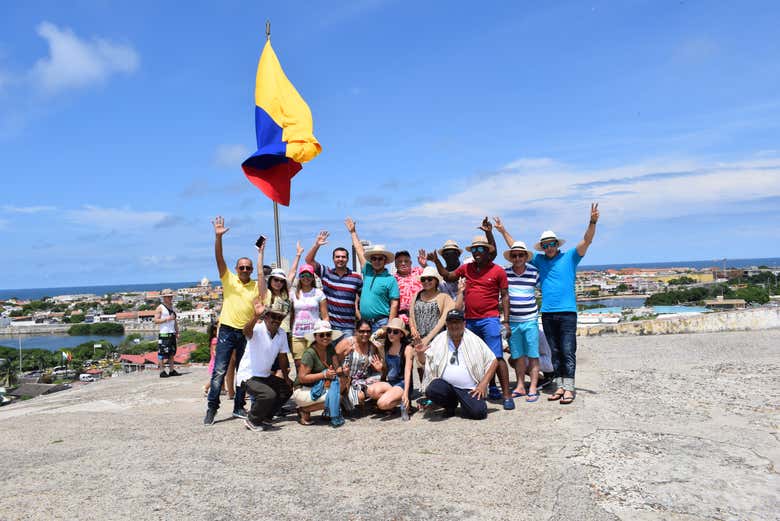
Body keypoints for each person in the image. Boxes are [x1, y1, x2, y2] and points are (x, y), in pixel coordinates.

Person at [495, 204, 600, 404]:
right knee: (556, 352)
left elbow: (587, 240)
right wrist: (503, 231)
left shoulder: (570, 256)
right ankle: (560, 386)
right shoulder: (540, 261)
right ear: (542, 247)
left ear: (557, 244)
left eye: (551, 243)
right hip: (548, 313)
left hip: (568, 312)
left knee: (568, 350)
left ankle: (569, 388)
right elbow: (518, 250)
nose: (549, 247)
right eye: (545, 245)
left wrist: (593, 221)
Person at [428, 233, 514, 410]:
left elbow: (505, 296)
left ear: (488, 251)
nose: (476, 252)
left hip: (490, 319)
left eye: (480, 249)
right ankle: (482, 388)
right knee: (472, 357)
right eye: (474, 249)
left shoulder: (498, 270)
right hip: (470, 320)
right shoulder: (467, 268)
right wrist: (436, 261)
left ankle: (506, 395)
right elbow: (448, 276)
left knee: (496, 357)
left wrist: (506, 321)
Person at [204, 216, 258, 426]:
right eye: (242, 267)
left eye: (248, 268)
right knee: (219, 370)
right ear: (237, 269)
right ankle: (212, 408)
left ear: (251, 270)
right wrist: (218, 238)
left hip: (246, 332)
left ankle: (238, 407)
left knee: (242, 372)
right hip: (227, 330)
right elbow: (219, 258)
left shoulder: (255, 286)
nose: (245, 270)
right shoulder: (229, 279)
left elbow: (261, 306)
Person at [421, 309, 498, 420]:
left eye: (457, 322)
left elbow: (493, 361)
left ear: (464, 323)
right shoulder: (439, 339)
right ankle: (450, 405)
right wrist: (419, 353)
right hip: (447, 387)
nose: (454, 325)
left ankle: (465, 403)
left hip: (469, 388)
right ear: (446, 324)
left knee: (479, 413)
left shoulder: (474, 340)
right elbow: (426, 361)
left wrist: (483, 384)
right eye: (451, 322)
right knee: (432, 389)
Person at [237, 299, 294, 432]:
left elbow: (283, 357)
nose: (276, 319)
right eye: (273, 316)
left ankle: (266, 417)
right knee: (268, 395)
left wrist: (286, 378)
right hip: (249, 376)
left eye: (279, 317)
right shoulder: (257, 328)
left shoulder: (281, 334)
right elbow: (246, 331)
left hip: (265, 376)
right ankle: (252, 419)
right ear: (266, 316)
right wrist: (256, 316)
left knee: (286, 389)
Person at [501, 241, 541, 402]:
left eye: (520, 255)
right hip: (513, 321)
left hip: (530, 319)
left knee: (533, 355)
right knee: (518, 356)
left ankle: (532, 387)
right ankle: (520, 386)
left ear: (526, 257)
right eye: (514, 255)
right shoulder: (505, 273)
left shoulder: (534, 272)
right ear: (511, 258)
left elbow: (545, 288)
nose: (517, 258)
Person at [304, 230, 363, 338]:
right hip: (330, 326)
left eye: (343, 257)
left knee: (348, 355)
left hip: (348, 327)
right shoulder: (326, 272)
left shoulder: (356, 277)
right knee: (331, 355)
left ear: (348, 259)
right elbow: (308, 260)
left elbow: (363, 298)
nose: (340, 259)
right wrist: (316, 245)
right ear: (333, 259)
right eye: (337, 257)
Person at [345, 217, 400, 332]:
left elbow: (394, 304)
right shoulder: (368, 271)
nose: (377, 261)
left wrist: (389, 326)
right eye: (374, 258)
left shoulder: (390, 279)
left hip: (381, 322)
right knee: (366, 350)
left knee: (379, 350)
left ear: (385, 261)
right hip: (364, 322)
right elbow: (359, 250)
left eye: (380, 258)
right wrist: (353, 232)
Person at [291, 320, 344, 425]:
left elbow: (337, 368)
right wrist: (324, 374)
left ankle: (328, 410)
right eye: (321, 335)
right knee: (337, 397)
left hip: (318, 386)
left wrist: (342, 370)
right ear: (315, 336)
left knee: (343, 381)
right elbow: (302, 378)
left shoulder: (330, 348)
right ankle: (304, 410)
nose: (325, 337)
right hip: (303, 389)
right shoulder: (309, 353)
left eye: (328, 334)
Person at [409, 266, 456, 382]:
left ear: (436, 280)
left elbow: (443, 320)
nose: (426, 282)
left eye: (430, 279)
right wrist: (412, 328)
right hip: (418, 337)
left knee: (436, 366)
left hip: (437, 339)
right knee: (420, 364)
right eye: (423, 279)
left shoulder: (444, 297)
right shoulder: (417, 295)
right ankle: (425, 391)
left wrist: (428, 338)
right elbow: (411, 314)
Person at [363, 317, 415, 416]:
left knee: (381, 404)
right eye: (389, 331)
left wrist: (406, 393)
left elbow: (408, 372)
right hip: (391, 382)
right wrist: (381, 369)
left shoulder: (407, 348)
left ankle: (404, 402)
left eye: (395, 332)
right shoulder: (386, 346)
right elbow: (371, 338)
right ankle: (392, 403)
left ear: (401, 334)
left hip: (402, 384)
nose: (391, 334)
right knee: (370, 391)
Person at [333, 319, 383, 409]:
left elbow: (379, 366)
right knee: (359, 397)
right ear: (355, 331)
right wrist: (343, 356)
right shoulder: (347, 343)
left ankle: (371, 400)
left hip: (362, 380)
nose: (365, 334)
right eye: (362, 331)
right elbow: (333, 361)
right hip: (346, 379)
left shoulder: (372, 346)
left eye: (368, 331)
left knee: (380, 375)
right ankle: (342, 400)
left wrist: (379, 368)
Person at [290, 263, 328, 370]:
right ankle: (300, 385)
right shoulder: (293, 294)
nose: (306, 278)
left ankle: (315, 385)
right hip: (297, 334)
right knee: (299, 364)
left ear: (313, 278)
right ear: (299, 277)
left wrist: (324, 332)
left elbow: (325, 316)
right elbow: (292, 315)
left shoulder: (319, 293)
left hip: (314, 334)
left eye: (309, 275)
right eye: (303, 275)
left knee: (315, 363)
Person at [393, 249, 427, 321]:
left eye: (406, 261)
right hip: (402, 319)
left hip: (422, 316)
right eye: (400, 261)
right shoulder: (392, 279)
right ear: (395, 264)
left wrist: (425, 265)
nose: (403, 263)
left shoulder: (419, 271)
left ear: (411, 262)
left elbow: (435, 278)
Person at [154, 289, 179, 378]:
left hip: (171, 333)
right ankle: (162, 371)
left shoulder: (172, 307)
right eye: (168, 296)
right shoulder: (160, 307)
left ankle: (171, 370)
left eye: (171, 296)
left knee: (172, 352)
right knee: (162, 353)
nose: (170, 298)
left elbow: (174, 320)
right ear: (164, 298)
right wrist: (167, 319)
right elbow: (155, 320)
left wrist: (177, 331)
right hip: (164, 333)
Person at [203, 321, 219, 396]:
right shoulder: (215, 340)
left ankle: (221, 389)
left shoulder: (213, 339)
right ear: (214, 331)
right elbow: (214, 351)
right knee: (214, 378)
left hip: (213, 361)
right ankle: (206, 387)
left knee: (217, 377)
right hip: (215, 362)